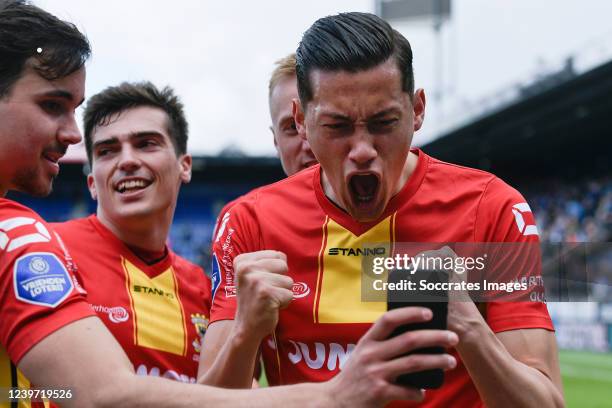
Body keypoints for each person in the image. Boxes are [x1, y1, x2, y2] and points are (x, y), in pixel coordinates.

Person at [0, 3, 455, 406]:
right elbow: (98, 394)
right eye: (107, 150)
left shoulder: (202, 285)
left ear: (184, 165)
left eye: (146, 143)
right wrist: (334, 393)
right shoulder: (38, 244)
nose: (126, 161)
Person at [203, 12, 564, 407]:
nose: (362, 150)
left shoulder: (491, 209)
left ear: (418, 110)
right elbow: (206, 402)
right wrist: (245, 332)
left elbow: (545, 402)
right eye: (337, 127)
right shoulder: (251, 221)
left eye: (383, 122)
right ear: (301, 122)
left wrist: (468, 326)